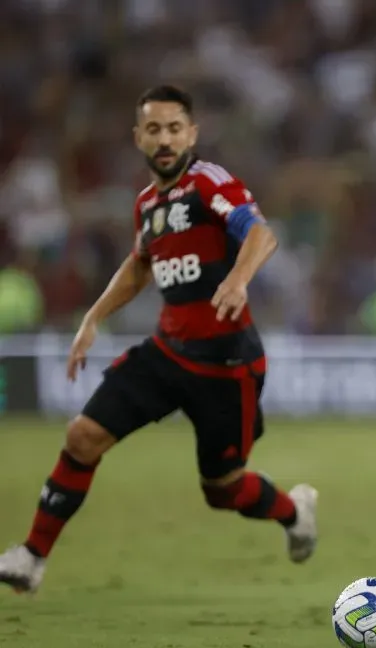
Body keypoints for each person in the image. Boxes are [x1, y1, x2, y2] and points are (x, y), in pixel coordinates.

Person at [0, 85, 318, 593]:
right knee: (83, 436)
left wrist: (237, 280)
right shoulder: (147, 202)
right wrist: (93, 317)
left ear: (191, 133)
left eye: (174, 128)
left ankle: (293, 511)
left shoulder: (207, 182)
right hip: (168, 352)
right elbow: (140, 263)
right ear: (138, 138)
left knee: (222, 488)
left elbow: (261, 234)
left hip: (226, 364)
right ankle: (32, 556)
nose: (164, 139)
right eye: (154, 129)